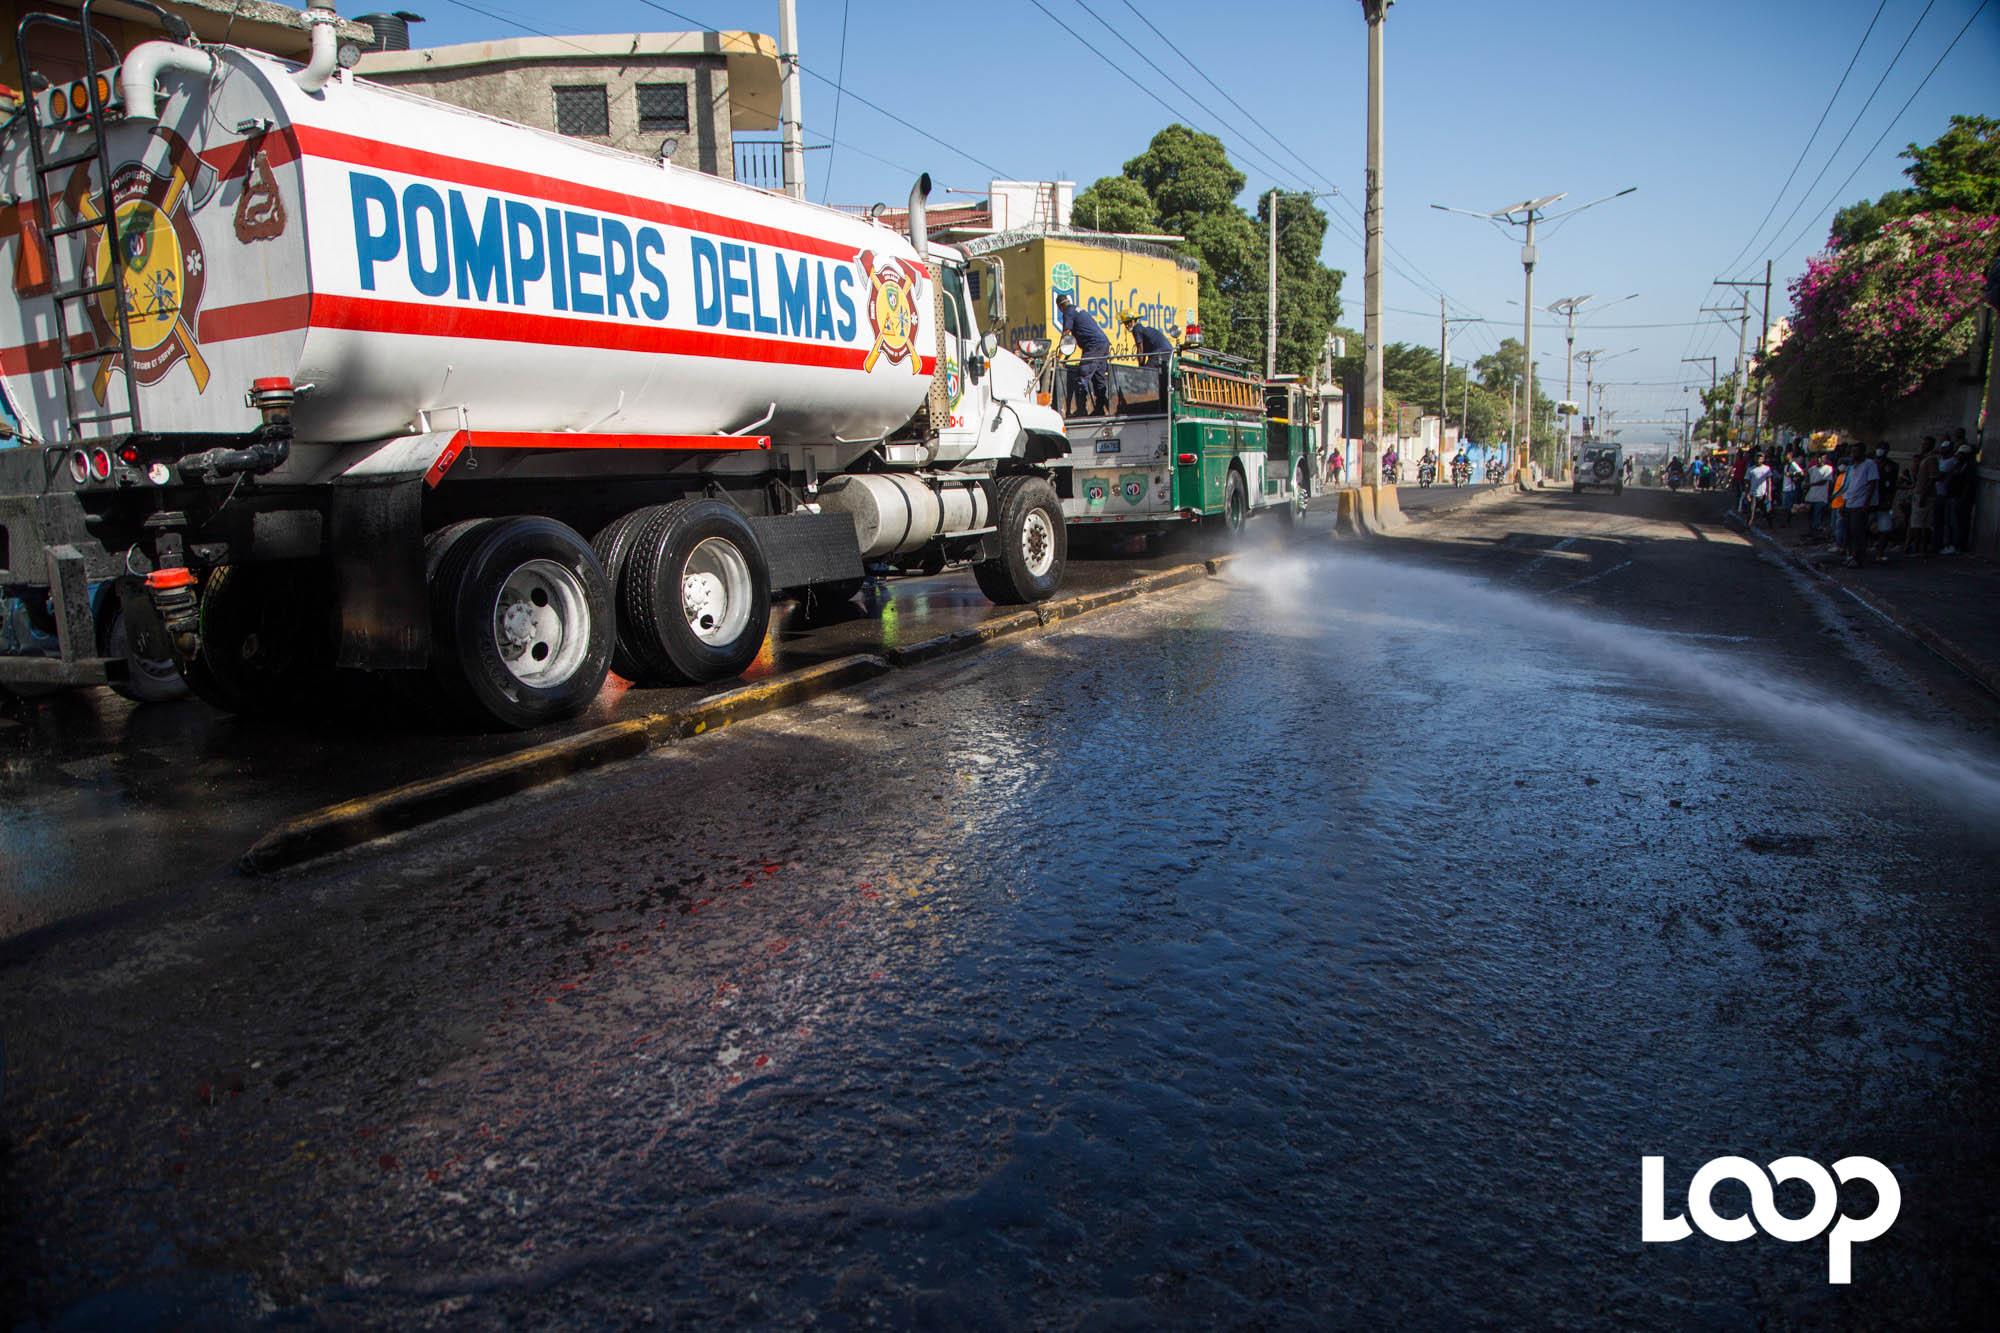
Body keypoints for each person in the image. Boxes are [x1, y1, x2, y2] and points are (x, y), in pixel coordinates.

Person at [1054, 291, 1110, 417]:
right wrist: (1066, 358)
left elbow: (1066, 335)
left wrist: (1058, 358)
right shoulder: (1077, 310)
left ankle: (1081, 410)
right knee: (1098, 378)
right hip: (1103, 343)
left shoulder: (1068, 311)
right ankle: (1101, 409)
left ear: (1059, 307)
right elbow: (1071, 344)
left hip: (1093, 345)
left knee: (1082, 376)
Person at [1841, 441, 1879, 568]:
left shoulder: (1869, 464)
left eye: (1855, 451)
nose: (1853, 454)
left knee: (1858, 532)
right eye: (1852, 451)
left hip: (1860, 503)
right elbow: (1849, 486)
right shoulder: (1852, 468)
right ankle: (1851, 555)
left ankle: (1859, 558)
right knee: (1849, 532)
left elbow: (1872, 483)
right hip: (1850, 503)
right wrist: (1844, 503)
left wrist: (1867, 503)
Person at [1906, 438, 1939, 556]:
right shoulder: (1923, 458)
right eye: (1923, 443)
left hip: (1924, 495)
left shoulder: (1931, 459)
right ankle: (1918, 548)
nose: (1923, 446)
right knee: (1918, 524)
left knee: (1921, 524)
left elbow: (1932, 478)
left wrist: (1923, 495)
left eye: (1926, 444)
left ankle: (1921, 549)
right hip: (1919, 492)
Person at [1805, 451, 1834, 539]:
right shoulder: (1812, 469)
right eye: (1817, 457)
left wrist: (1811, 484)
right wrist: (1807, 484)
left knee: (1817, 515)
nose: (1819, 459)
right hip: (1811, 495)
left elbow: (1824, 481)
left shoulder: (1828, 468)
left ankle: (1816, 533)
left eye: (1821, 457)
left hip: (1821, 496)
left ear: (1825, 459)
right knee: (1810, 515)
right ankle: (1811, 532)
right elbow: (1807, 477)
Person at [1744, 449, 1774, 530]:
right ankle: (1747, 528)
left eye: (1760, 458)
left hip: (1763, 494)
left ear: (1763, 459)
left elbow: (1769, 482)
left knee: (1767, 512)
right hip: (1753, 494)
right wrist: (1747, 494)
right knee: (1751, 512)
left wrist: (1769, 494)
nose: (1758, 460)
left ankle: (1771, 527)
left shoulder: (1767, 469)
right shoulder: (1750, 469)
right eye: (1757, 458)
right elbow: (1747, 483)